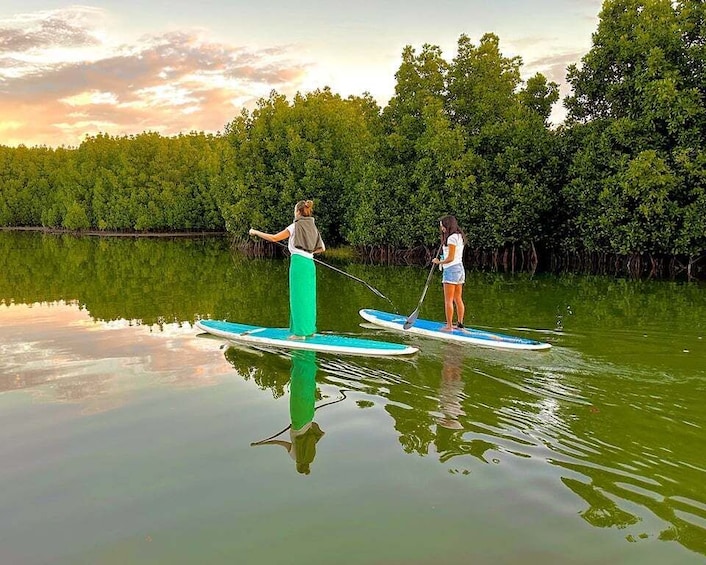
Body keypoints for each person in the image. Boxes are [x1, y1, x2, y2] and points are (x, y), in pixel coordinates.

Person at [249, 200, 325, 339]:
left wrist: (255, 232)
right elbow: (322, 248)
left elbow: (273, 238)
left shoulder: (294, 226)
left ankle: (300, 334)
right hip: (310, 264)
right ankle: (309, 330)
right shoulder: (313, 227)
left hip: (299, 264)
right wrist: (308, 252)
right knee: (308, 297)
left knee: (298, 297)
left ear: (297, 212)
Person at [431, 215, 466, 331]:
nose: (441, 228)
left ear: (447, 225)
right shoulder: (459, 236)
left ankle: (449, 326)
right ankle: (460, 324)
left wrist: (438, 261)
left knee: (448, 300)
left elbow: (450, 258)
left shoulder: (451, 238)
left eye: (442, 226)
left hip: (451, 269)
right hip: (460, 269)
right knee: (458, 298)